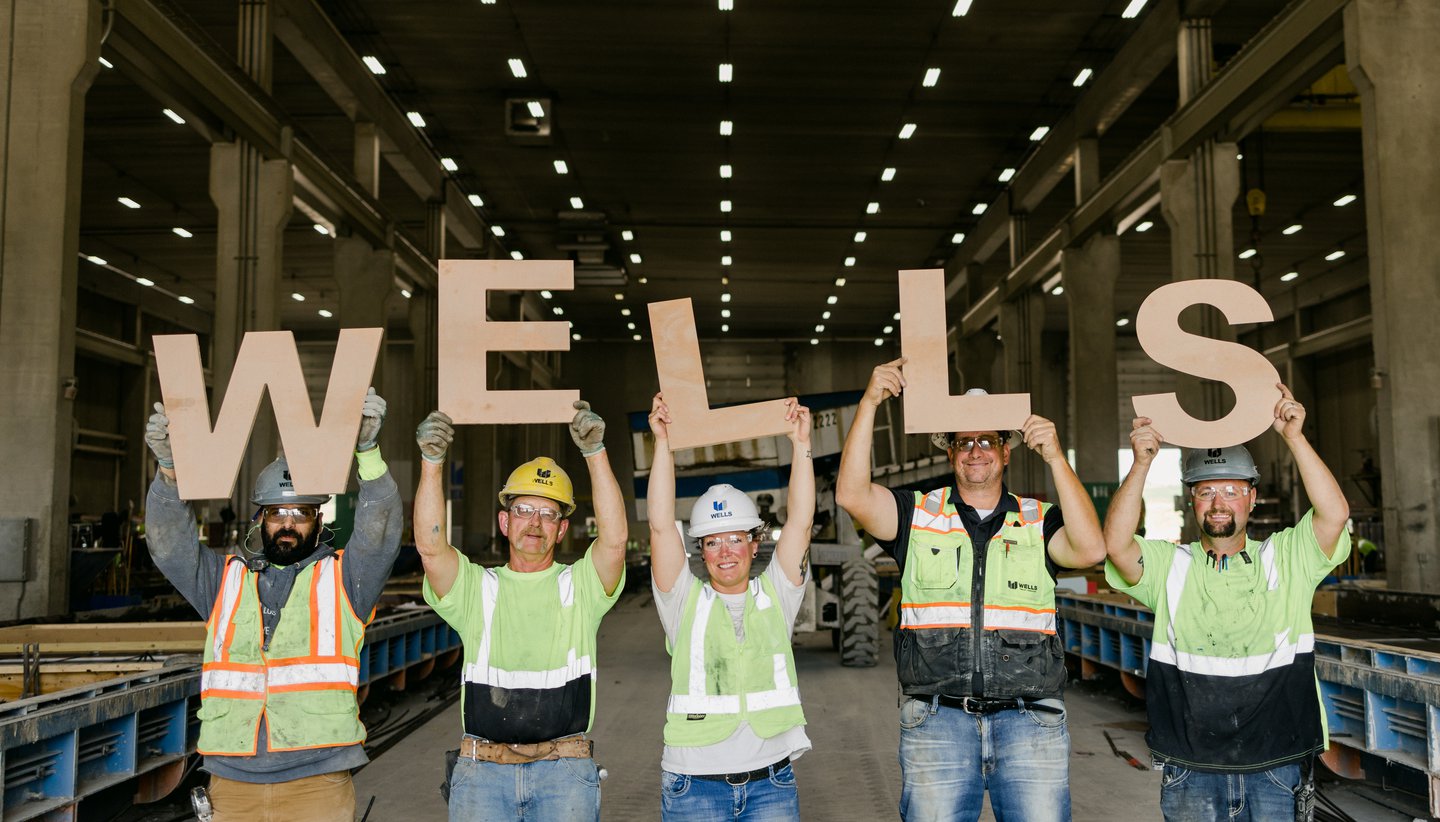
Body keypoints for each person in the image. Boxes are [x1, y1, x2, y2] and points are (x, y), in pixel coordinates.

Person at [834, 358, 1105, 822]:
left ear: (1006, 452)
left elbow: (1090, 549)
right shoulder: (917, 515)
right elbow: (852, 495)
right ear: (949, 452)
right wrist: (869, 403)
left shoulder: (1039, 519)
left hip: (1030, 720)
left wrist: (1057, 457)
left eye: (987, 441)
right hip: (938, 719)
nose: (975, 451)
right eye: (964, 442)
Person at [143, 388, 402, 821]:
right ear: (259, 519)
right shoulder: (221, 581)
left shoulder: (346, 580)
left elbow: (381, 534)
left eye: (299, 513)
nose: (287, 524)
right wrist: (169, 470)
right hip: (232, 781)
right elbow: (170, 547)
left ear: (319, 521)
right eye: (276, 513)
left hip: (317, 781)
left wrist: (368, 453)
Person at [1103, 384, 1350, 822]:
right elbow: (1118, 544)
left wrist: (1294, 437)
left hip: (1276, 764)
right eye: (1205, 492)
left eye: (1231, 491)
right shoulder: (1169, 565)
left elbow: (1333, 515)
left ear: (1252, 498)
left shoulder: (1286, 558)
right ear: (1191, 501)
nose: (1219, 504)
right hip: (1191, 766)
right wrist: (1142, 463)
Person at [413, 401, 627, 821]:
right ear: (504, 522)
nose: (534, 523)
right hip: (483, 772)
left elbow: (614, 542)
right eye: (524, 511)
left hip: (564, 769)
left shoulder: (580, 586)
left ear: (562, 529)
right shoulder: (477, 588)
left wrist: (595, 455)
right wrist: (432, 462)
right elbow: (431, 547)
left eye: (548, 514)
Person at [646, 392, 815, 821]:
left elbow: (800, 521)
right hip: (693, 785)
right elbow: (661, 526)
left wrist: (800, 445)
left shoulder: (777, 593)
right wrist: (662, 444)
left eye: (735, 538)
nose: (725, 552)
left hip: (771, 783)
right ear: (700, 551)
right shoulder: (683, 601)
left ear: (754, 543)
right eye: (712, 542)